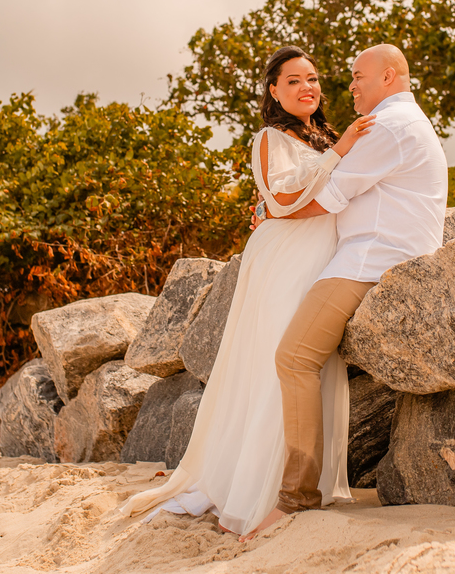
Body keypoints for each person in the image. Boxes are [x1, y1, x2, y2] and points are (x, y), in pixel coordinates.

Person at [119, 45, 375, 536]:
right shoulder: (270, 137)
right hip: (285, 257)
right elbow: (278, 201)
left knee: (310, 367)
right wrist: (339, 153)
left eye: (314, 79)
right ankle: (259, 488)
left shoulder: (323, 135)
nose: (308, 88)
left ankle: (302, 484)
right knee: (276, 366)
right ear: (274, 91)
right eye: (295, 81)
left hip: (324, 256)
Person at [245, 43, 447, 540]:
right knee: (300, 360)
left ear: (390, 76)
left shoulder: (389, 126)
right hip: (375, 254)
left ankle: (295, 499)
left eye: (359, 76)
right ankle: (300, 491)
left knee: (294, 358)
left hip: (370, 260)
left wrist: (276, 211)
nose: (350, 85)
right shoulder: (402, 122)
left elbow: (326, 197)